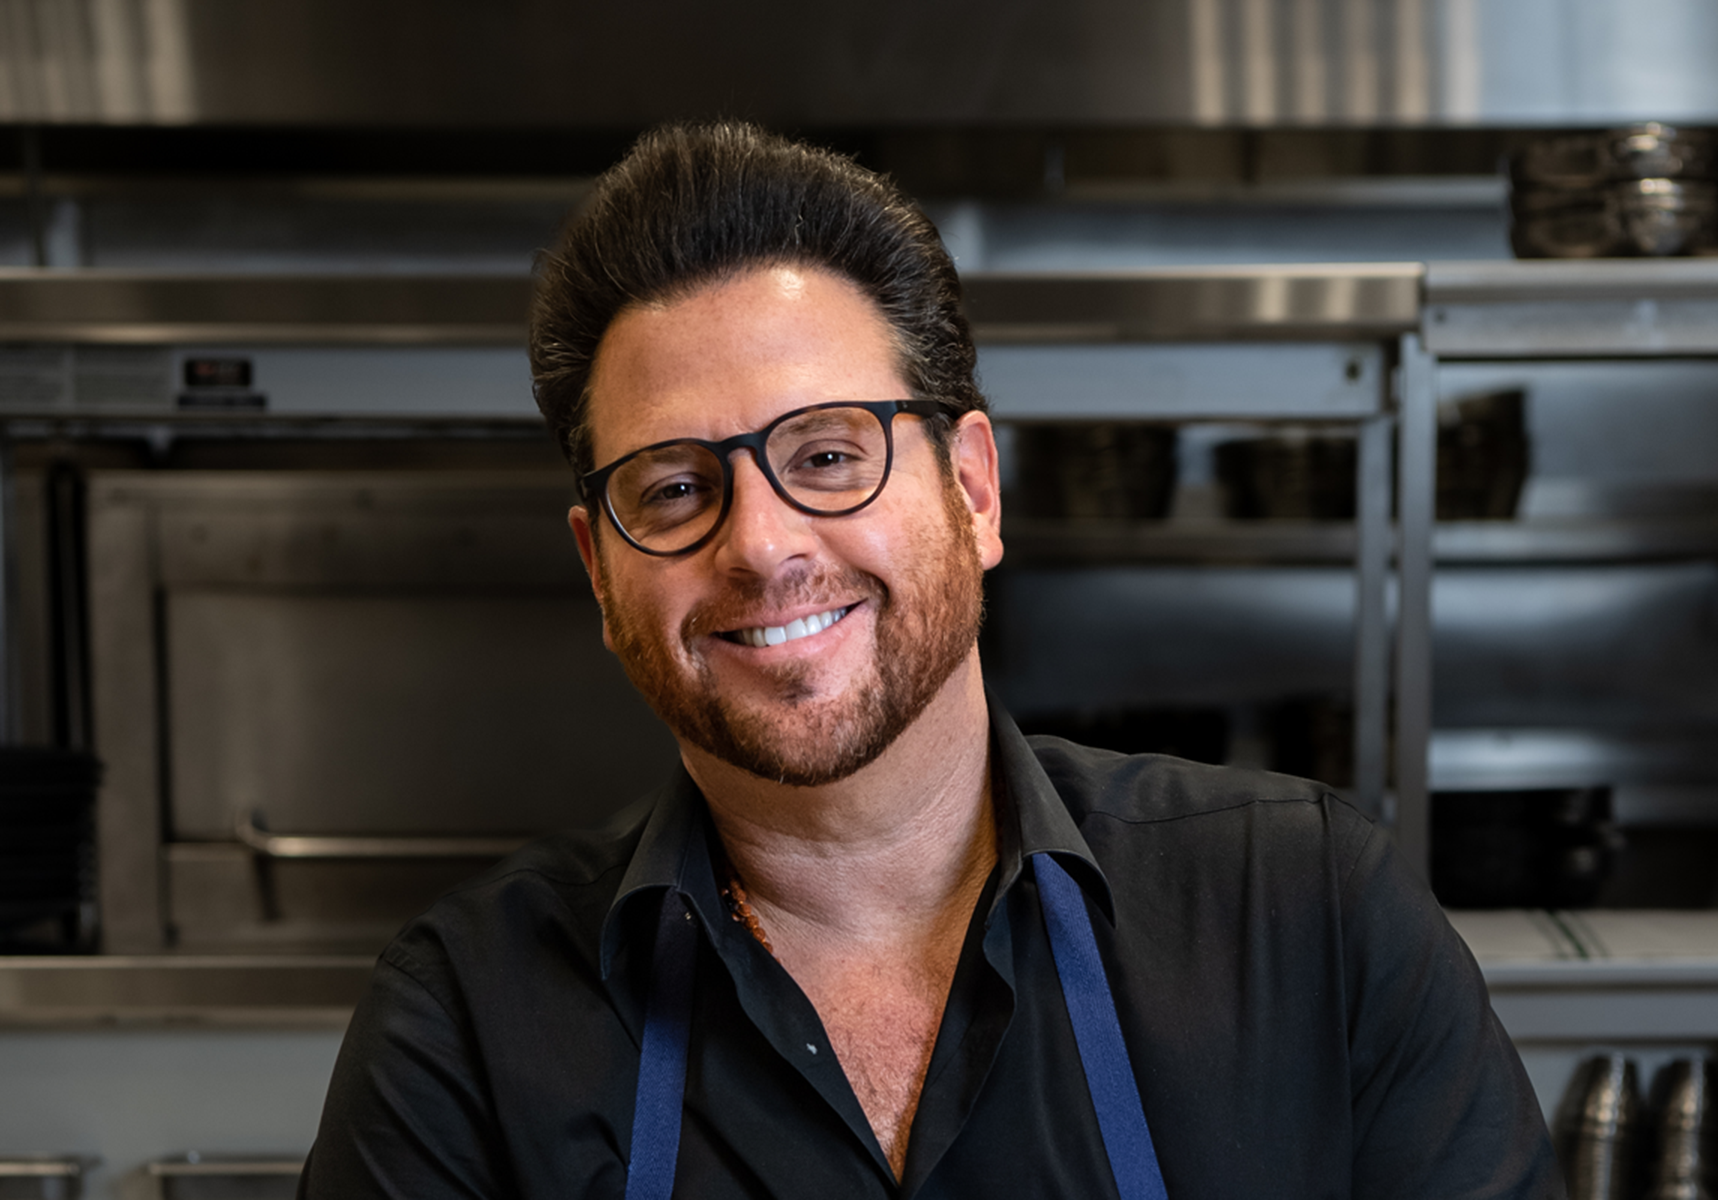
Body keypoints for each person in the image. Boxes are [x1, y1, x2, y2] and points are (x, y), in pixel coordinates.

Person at [300, 122, 1560, 1199]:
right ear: (599, 569)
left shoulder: (1308, 914)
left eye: (829, 456)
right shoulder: (464, 1025)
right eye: (674, 488)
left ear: (974, 492)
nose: (762, 545)